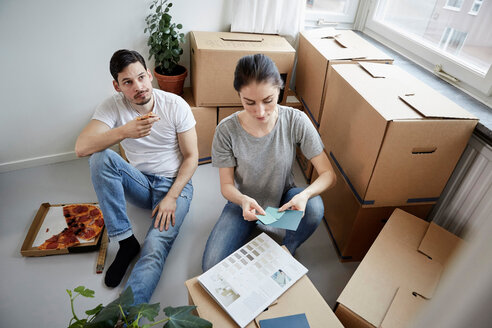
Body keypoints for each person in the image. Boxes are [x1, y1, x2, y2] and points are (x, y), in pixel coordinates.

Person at [75, 49, 198, 304]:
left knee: (155, 248)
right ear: (117, 86)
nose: (138, 87)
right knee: (100, 157)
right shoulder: (112, 106)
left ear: (150, 75)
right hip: (140, 183)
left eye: (141, 77)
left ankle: (126, 314)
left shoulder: (175, 106)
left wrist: (171, 197)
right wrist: (124, 131)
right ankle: (126, 241)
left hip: (173, 187)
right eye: (128, 82)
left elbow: (191, 157)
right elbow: (82, 148)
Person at [202, 54, 336, 272]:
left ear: (279, 90)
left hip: (284, 198)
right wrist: (243, 200)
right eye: (250, 103)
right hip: (244, 202)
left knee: (314, 207)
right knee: (211, 266)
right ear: (239, 95)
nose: (261, 112)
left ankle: (289, 247)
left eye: (268, 100)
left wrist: (304, 195)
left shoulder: (295, 120)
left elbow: (328, 174)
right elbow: (226, 186)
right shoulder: (226, 130)